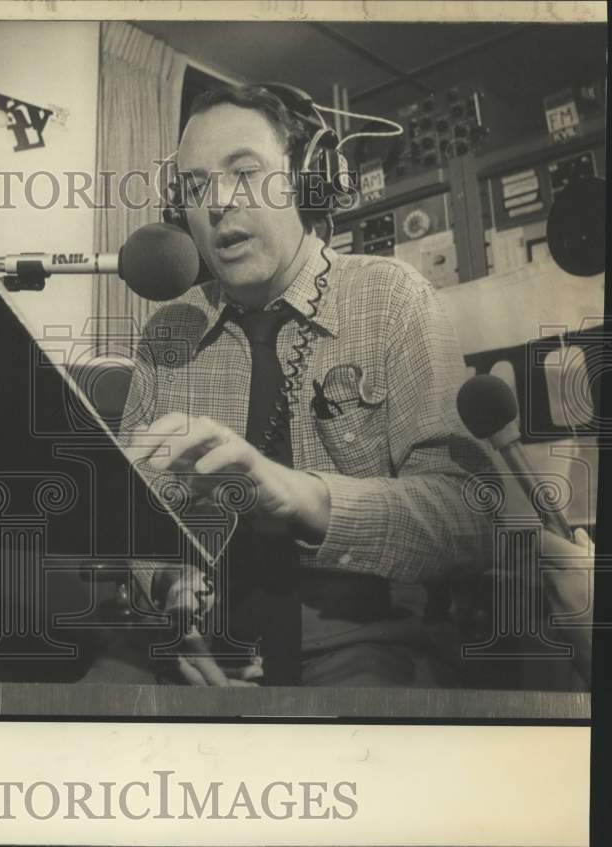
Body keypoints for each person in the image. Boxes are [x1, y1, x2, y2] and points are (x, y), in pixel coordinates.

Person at [85, 83, 496, 688]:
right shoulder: (167, 332)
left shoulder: (391, 298)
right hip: (189, 641)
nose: (219, 203)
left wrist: (302, 497)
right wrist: (169, 590)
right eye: (195, 187)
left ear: (309, 179)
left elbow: (468, 517)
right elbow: (129, 516)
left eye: (244, 173)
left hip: (360, 641)